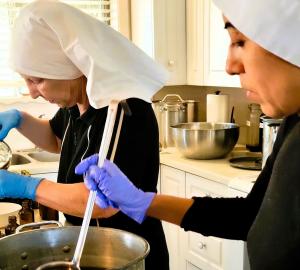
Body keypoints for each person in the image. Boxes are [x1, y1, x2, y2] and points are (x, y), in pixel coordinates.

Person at [75, 0, 300, 269]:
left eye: (239, 41)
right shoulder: (293, 124)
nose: (230, 65)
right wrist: (140, 201)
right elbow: (249, 216)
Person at [0, 1, 169, 269]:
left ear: (68, 66)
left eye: (37, 80)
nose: (32, 92)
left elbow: (104, 203)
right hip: (90, 244)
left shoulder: (124, 108)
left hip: (127, 253)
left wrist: (27, 188)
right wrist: (19, 119)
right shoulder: (75, 101)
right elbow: (57, 140)